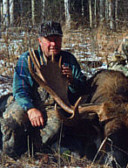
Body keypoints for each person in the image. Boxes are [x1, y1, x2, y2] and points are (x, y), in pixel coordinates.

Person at [1, 21, 86, 158]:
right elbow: (20, 88)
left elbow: (82, 89)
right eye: (49, 40)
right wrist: (30, 109)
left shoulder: (69, 60)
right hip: (29, 103)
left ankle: (32, 149)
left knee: (57, 125)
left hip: (54, 107)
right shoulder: (28, 59)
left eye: (57, 39)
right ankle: (9, 153)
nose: (54, 44)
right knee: (13, 121)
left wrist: (72, 81)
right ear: (40, 41)